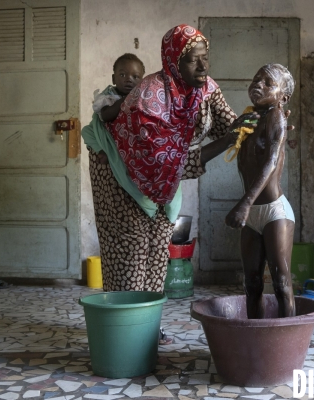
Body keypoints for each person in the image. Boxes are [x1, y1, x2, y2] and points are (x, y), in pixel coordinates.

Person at [83, 25, 266, 294]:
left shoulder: (205, 90)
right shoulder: (150, 99)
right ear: (174, 62)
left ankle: (149, 326)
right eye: (193, 60)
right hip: (120, 174)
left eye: (206, 57)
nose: (203, 67)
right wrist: (227, 140)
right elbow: (165, 163)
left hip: (164, 179)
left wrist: (267, 125)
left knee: (158, 252)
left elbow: (231, 126)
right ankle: (126, 326)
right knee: (130, 253)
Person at [224, 64, 296, 319]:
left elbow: (270, 164)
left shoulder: (276, 116)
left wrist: (244, 203)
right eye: (256, 79)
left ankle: (287, 343)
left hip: (273, 212)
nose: (259, 84)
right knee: (252, 284)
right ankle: (257, 338)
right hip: (253, 214)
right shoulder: (250, 119)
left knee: (281, 282)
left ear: (283, 98)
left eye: (268, 83)